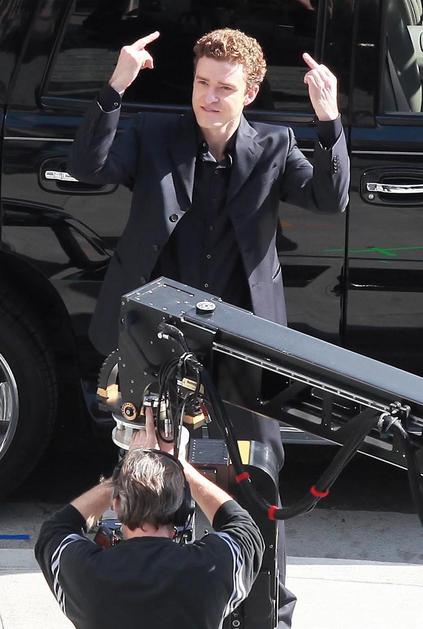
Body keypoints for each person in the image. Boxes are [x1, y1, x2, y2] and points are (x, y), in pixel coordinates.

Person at [68, 27, 349, 627]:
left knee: (253, 475)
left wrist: (328, 119)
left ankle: (266, 612)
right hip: (157, 340)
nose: (210, 97)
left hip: (241, 345)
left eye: (225, 87)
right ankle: (155, 599)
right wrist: (116, 85)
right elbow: (87, 165)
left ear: (249, 93)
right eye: (201, 83)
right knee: (150, 474)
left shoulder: (274, 145)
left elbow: (330, 198)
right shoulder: (156, 136)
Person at [35, 407, 265, 629]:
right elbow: (244, 528)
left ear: (116, 504)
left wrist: (121, 475)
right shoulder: (209, 569)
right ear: (180, 507)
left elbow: (56, 529)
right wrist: (181, 466)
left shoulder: (85, 574)